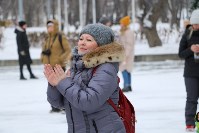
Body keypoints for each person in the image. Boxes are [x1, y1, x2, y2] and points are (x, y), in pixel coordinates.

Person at [44, 23, 126, 133]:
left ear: (101, 45)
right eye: (81, 38)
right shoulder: (77, 67)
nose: (82, 42)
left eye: (89, 40)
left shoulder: (106, 68)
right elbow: (60, 103)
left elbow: (88, 101)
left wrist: (63, 82)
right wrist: (55, 85)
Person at [41, 19, 71, 113]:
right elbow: (44, 49)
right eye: (48, 26)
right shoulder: (47, 38)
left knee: (61, 85)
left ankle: (64, 106)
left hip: (59, 66)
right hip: (49, 66)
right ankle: (54, 106)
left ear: (55, 27)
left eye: (51, 26)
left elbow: (68, 50)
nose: (49, 28)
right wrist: (42, 58)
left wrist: (61, 59)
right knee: (52, 86)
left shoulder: (60, 37)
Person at [178, 9, 199, 132]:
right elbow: (180, 54)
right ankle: (190, 123)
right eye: (194, 24)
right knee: (191, 98)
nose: (196, 26)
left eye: (198, 24)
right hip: (190, 73)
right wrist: (191, 49)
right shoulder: (187, 34)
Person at [118, 16, 135, 92]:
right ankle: (128, 85)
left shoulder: (128, 32)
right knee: (126, 69)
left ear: (125, 24)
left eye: (121, 23)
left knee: (124, 69)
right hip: (124, 53)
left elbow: (129, 44)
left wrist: (125, 54)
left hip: (127, 54)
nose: (120, 24)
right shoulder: (123, 31)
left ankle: (126, 85)